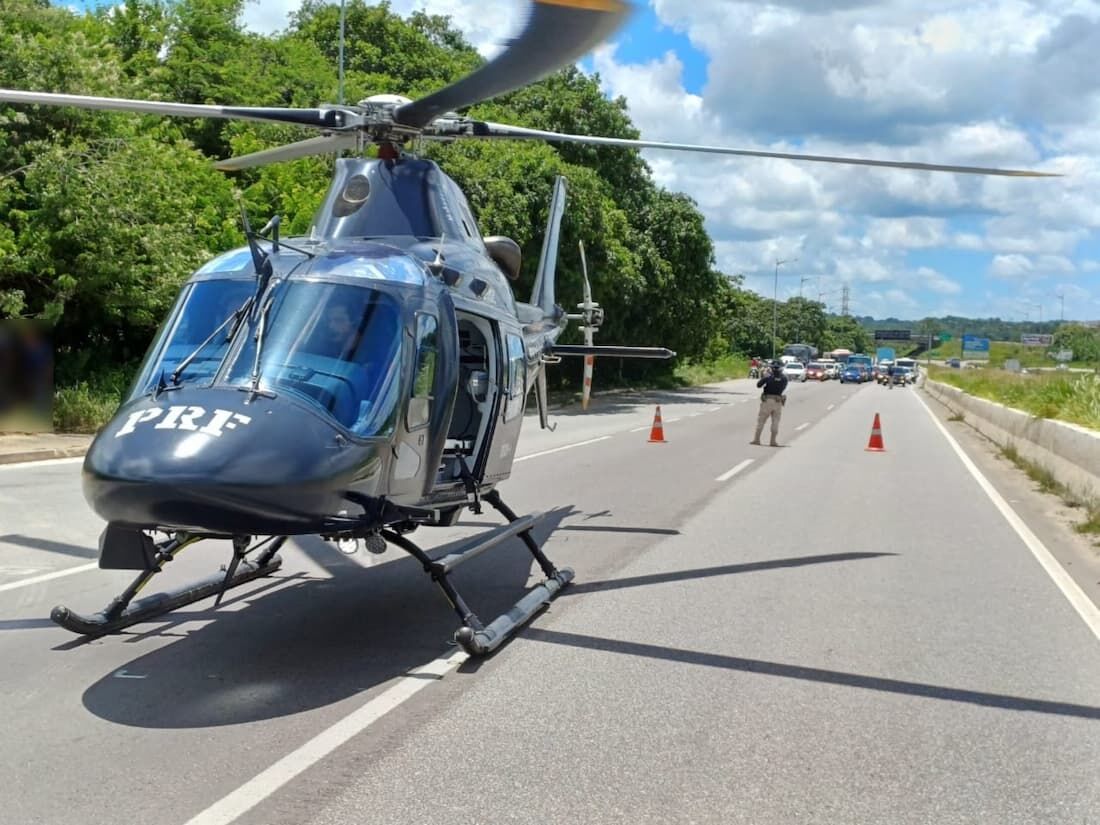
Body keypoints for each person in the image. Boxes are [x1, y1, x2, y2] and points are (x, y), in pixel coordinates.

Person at [751, 360, 788, 446]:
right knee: (775, 422)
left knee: (761, 420)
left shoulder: (768, 377)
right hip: (778, 401)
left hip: (767, 400)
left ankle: (757, 439)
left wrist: (765, 377)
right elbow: (783, 388)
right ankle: (773, 441)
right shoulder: (784, 378)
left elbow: (758, 385)